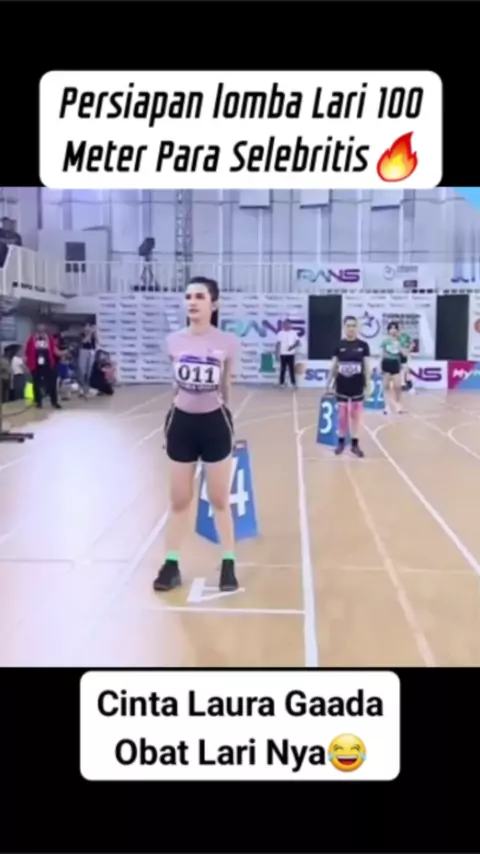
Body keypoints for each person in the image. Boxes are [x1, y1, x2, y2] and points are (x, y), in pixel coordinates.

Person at [153, 276, 240, 594]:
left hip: (215, 424)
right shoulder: (173, 341)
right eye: (188, 296)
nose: (192, 302)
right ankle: (171, 564)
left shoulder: (228, 342)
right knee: (179, 500)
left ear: (213, 304)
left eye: (200, 297)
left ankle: (228, 562)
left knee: (219, 499)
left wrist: (228, 419)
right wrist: (171, 418)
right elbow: (175, 386)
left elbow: (226, 385)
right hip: (182, 424)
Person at [327, 316, 371, 457]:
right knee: (342, 416)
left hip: (357, 385)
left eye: (353, 325)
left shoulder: (363, 345)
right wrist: (328, 384)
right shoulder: (338, 345)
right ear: (344, 327)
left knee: (356, 416)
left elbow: (367, 367)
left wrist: (368, 385)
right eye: (348, 326)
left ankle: (355, 444)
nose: (351, 328)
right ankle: (341, 442)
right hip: (342, 385)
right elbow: (333, 366)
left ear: (357, 327)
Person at [24, 323, 61, 409]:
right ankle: (38, 402)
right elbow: (26, 351)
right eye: (39, 327)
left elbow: (55, 351)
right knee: (36, 383)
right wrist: (26, 362)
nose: (41, 329)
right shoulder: (32, 338)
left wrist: (65, 352)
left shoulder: (49, 338)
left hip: (47, 361)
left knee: (52, 382)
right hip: (35, 362)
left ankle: (54, 401)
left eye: (43, 327)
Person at [380, 321, 403, 414]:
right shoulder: (385, 341)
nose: (393, 330)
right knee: (386, 386)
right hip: (386, 363)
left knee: (397, 386)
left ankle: (398, 403)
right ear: (388, 330)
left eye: (395, 328)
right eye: (391, 328)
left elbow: (404, 354)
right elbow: (382, 354)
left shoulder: (400, 341)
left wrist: (401, 348)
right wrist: (379, 365)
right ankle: (386, 406)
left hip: (395, 364)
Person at [276, 319, 300, 389]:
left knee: (291, 369)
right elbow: (278, 343)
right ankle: (281, 383)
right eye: (285, 324)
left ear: (290, 324)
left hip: (291, 354)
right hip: (283, 353)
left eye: (288, 324)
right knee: (282, 369)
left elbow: (297, 342)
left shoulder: (293, 333)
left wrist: (292, 347)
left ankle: (293, 383)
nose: (286, 325)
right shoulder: (280, 333)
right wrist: (277, 353)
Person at [77, 321, 97, 397]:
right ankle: (82, 386)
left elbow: (98, 341)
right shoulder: (81, 334)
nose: (88, 328)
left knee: (90, 370)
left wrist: (95, 333)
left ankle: (88, 387)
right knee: (82, 370)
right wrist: (89, 334)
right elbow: (84, 341)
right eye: (86, 326)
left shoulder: (93, 334)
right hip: (83, 351)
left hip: (91, 351)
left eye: (89, 326)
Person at [398, 326, 414, 394]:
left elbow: (412, 344)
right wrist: (401, 350)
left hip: (406, 355)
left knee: (407, 369)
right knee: (401, 369)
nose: (400, 330)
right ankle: (402, 384)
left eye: (401, 328)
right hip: (398, 355)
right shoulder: (395, 336)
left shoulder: (406, 336)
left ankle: (409, 385)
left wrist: (408, 350)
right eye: (398, 328)